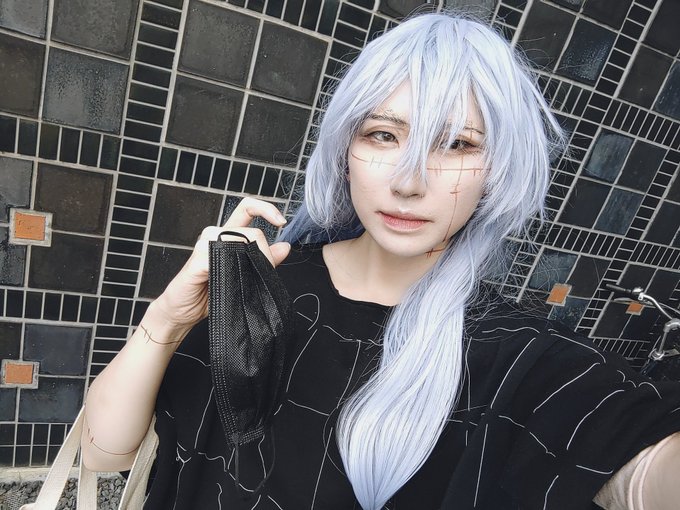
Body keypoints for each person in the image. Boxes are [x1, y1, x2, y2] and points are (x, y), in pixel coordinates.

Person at [80, 12, 680, 510]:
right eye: (384, 135)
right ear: (345, 147)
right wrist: (167, 321)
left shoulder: (522, 355)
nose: (409, 182)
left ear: (497, 171)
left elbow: (644, 473)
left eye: (458, 144)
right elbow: (105, 454)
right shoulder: (261, 281)